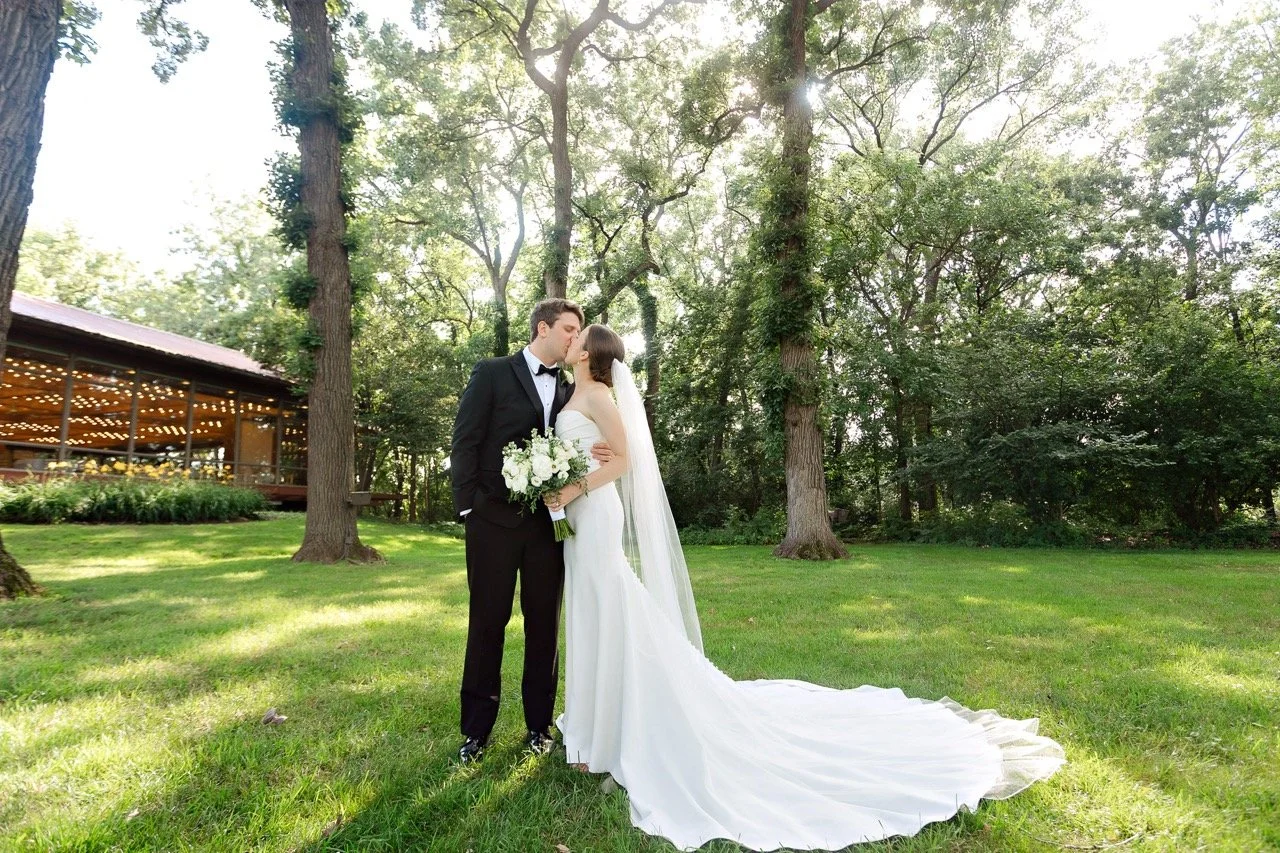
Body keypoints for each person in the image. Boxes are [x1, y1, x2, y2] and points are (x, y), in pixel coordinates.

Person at [542, 323, 1066, 851]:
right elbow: (596, 451)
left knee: (611, 605)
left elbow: (627, 460)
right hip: (575, 518)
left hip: (592, 512)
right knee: (594, 610)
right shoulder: (573, 392)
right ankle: (594, 729)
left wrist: (571, 486)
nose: (570, 343)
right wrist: (560, 480)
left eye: (576, 337)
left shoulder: (601, 394)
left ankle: (614, 731)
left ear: (589, 352)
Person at [449, 299, 610, 764]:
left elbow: (580, 442)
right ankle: (476, 732)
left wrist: (597, 452)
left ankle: (539, 727)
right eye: (568, 329)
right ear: (543, 328)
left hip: (547, 528)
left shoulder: (569, 389)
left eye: (576, 331)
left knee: (544, 627)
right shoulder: (492, 372)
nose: (574, 339)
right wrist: (468, 509)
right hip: (491, 523)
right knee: (487, 624)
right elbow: (465, 441)